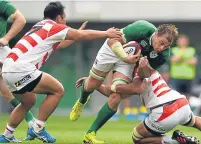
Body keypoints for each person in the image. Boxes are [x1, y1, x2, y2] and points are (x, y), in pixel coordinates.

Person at [0, 1, 122, 143]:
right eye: (64, 18)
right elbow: (79, 35)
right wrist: (106, 33)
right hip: (20, 69)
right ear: (59, 17)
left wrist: (77, 34)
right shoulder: (55, 27)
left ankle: (7, 135)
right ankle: (38, 128)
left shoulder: (40, 26)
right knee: (57, 90)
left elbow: (60, 44)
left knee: (28, 101)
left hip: (7, 69)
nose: (65, 21)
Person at [70, 20, 179, 143]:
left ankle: (90, 134)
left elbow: (145, 75)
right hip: (113, 50)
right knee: (91, 86)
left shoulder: (163, 55)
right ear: (156, 34)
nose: (161, 48)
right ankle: (82, 100)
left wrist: (142, 67)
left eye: (166, 46)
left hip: (130, 62)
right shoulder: (142, 28)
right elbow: (112, 40)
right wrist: (125, 57)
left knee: (115, 97)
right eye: (161, 43)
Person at [76, 56, 201, 144]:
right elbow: (112, 93)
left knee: (137, 137)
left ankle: (175, 141)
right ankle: (181, 138)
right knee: (195, 120)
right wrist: (92, 82)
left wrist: (141, 65)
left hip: (164, 111)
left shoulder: (140, 72)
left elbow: (140, 81)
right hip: (181, 102)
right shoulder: (141, 75)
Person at [0, 0, 36, 140]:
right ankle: (32, 123)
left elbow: (21, 19)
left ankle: (34, 125)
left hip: (2, 52)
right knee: (5, 91)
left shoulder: (2, 4)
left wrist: (6, 38)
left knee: (20, 85)